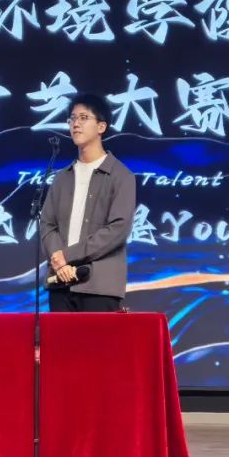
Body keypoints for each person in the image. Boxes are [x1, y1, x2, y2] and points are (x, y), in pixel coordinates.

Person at [40, 93, 136, 312]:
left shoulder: (121, 176)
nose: (76, 124)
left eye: (83, 118)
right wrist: (59, 261)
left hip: (99, 287)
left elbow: (117, 229)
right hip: (60, 283)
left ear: (101, 126)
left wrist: (67, 255)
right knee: (59, 337)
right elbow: (47, 223)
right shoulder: (62, 178)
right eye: (72, 119)